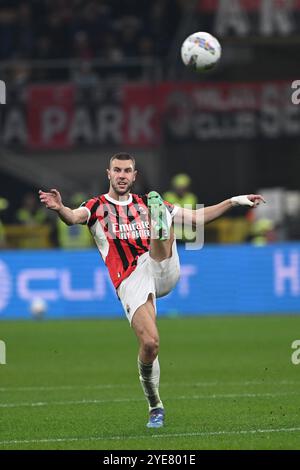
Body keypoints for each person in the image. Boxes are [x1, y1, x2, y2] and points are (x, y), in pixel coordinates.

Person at [38, 152, 265, 428]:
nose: (122, 175)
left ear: (135, 176)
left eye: (127, 171)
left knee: (164, 218)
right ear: (109, 174)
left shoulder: (146, 203)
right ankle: (155, 405)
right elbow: (73, 217)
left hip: (161, 266)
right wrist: (61, 208)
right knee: (150, 344)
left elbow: (197, 219)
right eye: (117, 170)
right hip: (131, 279)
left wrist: (235, 201)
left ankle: (161, 227)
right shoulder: (96, 207)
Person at [163, 173, 198, 242]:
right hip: (172, 237)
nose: (181, 190)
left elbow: (193, 217)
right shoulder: (167, 197)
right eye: (179, 188)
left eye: (183, 188)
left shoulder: (191, 198)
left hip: (188, 237)